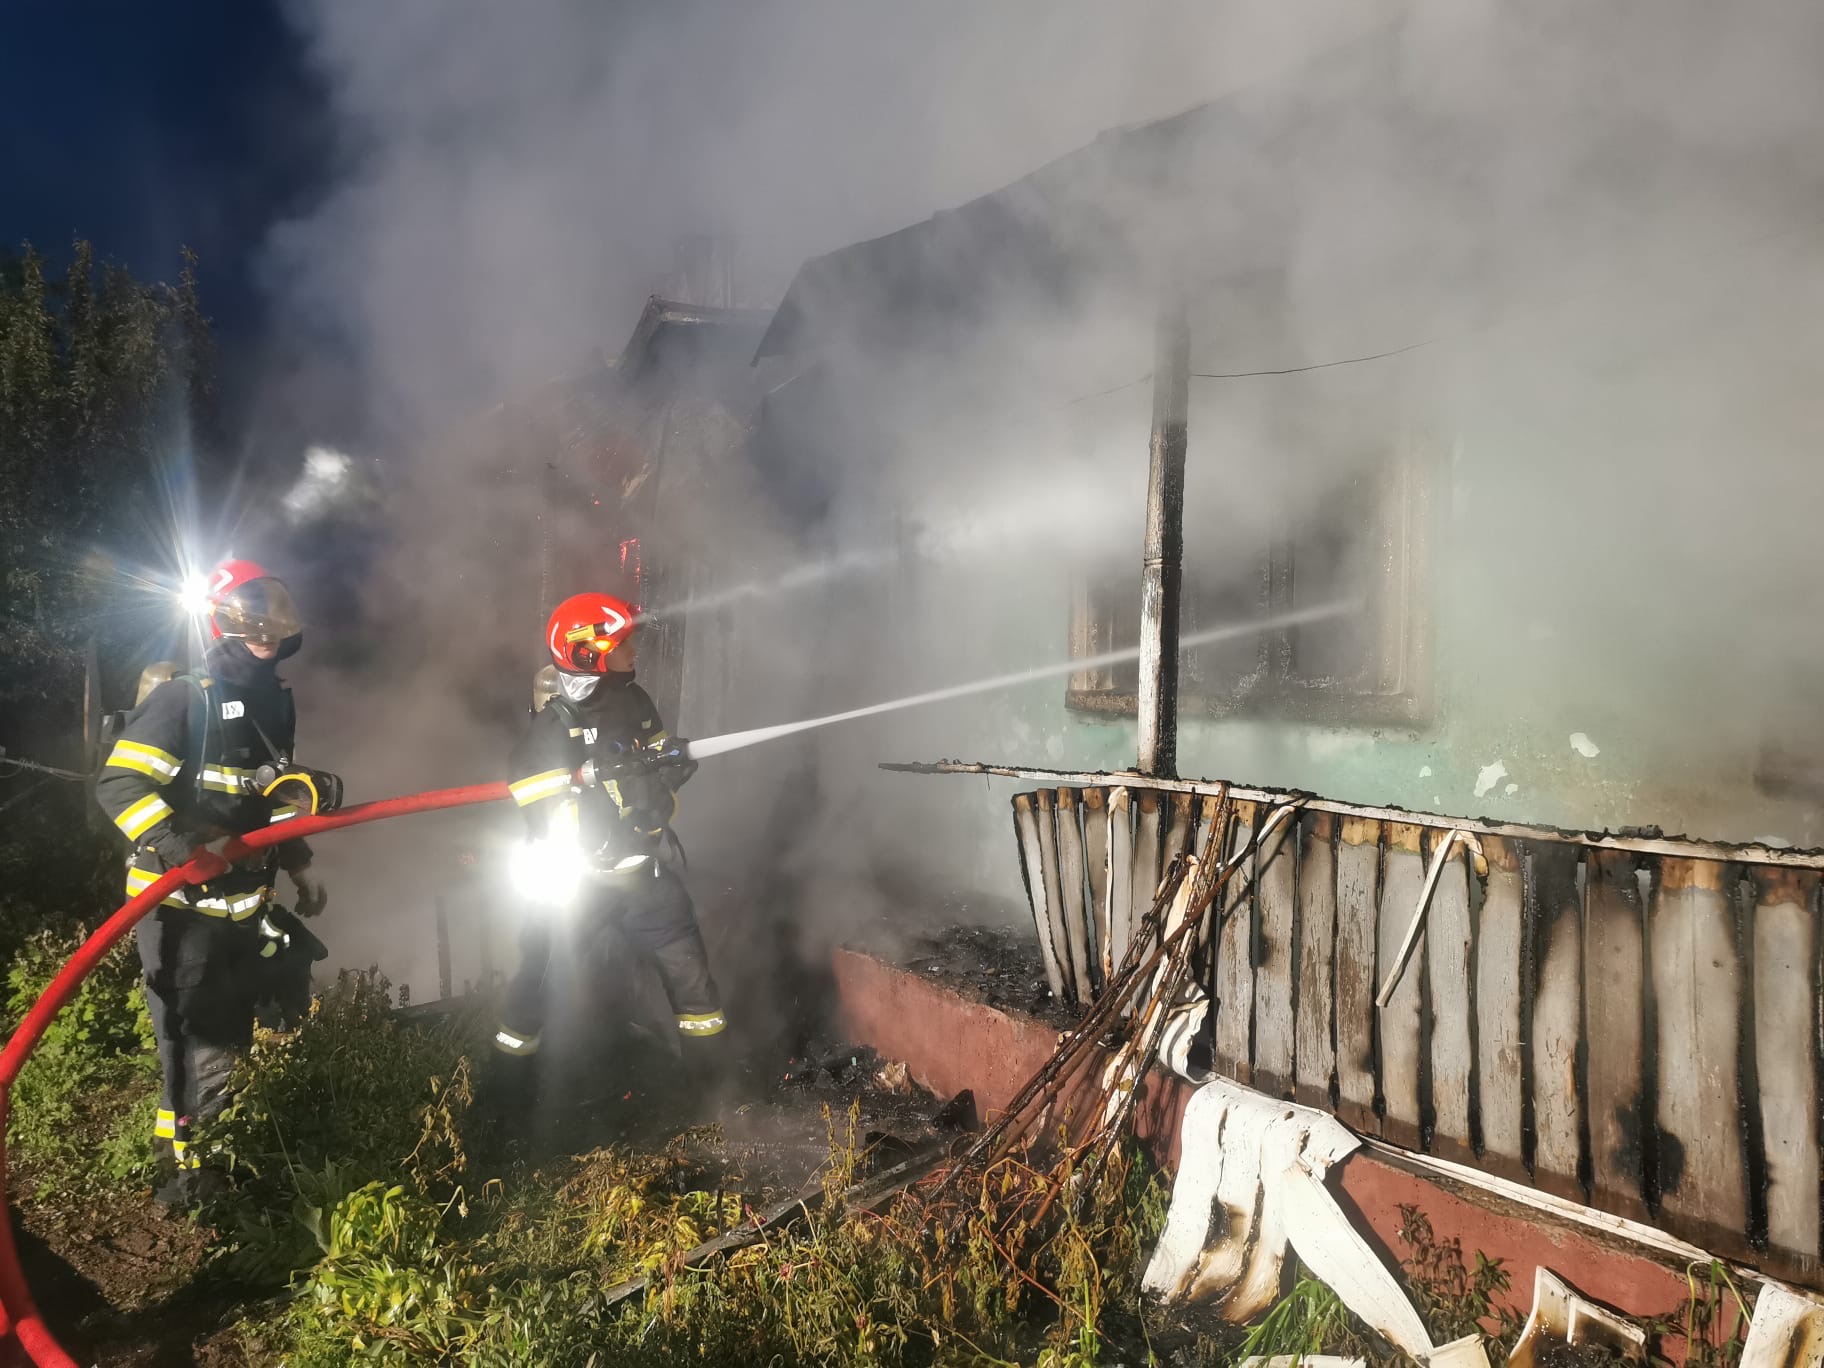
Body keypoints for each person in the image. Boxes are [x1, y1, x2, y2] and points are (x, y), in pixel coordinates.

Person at [95, 559, 330, 1202]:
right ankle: (188, 1181)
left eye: (274, 619)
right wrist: (182, 850)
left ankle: (204, 1153)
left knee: (227, 1039)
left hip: (240, 905)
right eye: (252, 620)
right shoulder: (185, 698)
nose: (266, 633)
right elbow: (119, 785)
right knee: (194, 1043)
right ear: (223, 622)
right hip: (179, 905)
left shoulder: (273, 700)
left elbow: (272, 799)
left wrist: (299, 862)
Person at [495, 592, 725, 1089]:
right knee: (536, 985)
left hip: (643, 877)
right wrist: (599, 817)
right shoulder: (556, 725)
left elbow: (657, 765)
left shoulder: (635, 702)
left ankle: (712, 1095)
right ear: (586, 651)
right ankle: (507, 1094)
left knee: (694, 985)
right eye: (622, 643)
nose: (633, 650)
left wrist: (671, 769)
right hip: (577, 890)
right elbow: (539, 803)